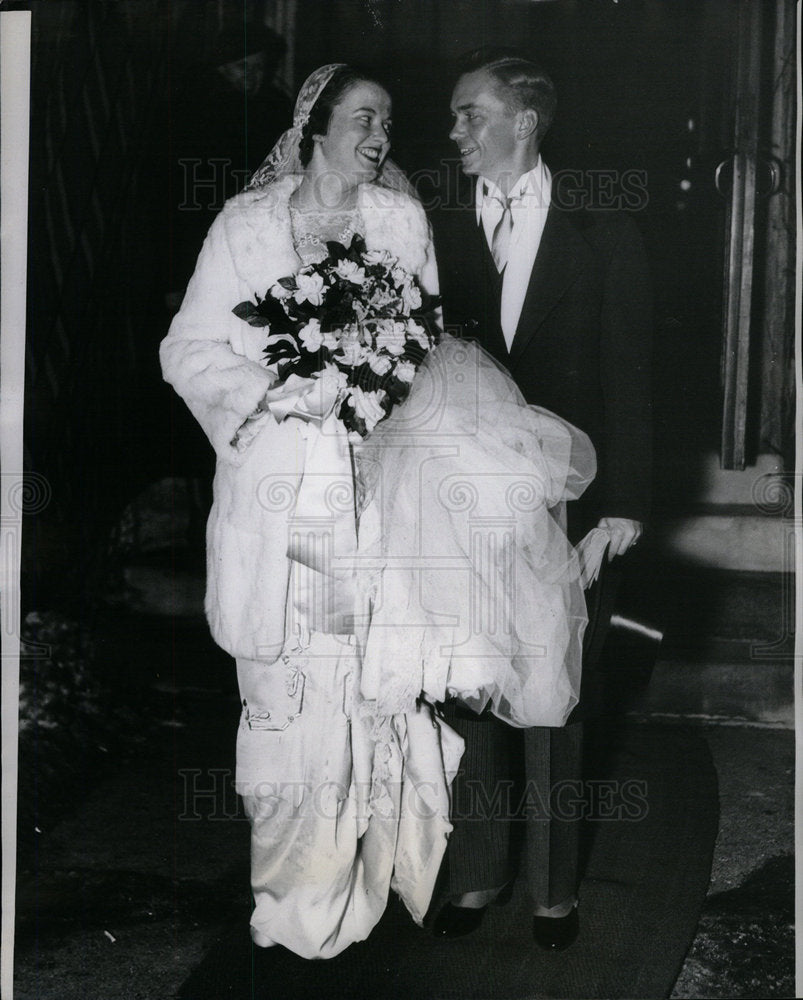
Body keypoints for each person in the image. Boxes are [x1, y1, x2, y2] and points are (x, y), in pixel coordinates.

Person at [160, 62, 595, 960]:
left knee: (376, 696)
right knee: (289, 701)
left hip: (377, 504)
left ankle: (387, 883)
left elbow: (423, 348)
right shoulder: (245, 225)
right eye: (364, 118)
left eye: (389, 122)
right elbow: (189, 348)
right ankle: (293, 901)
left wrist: (373, 382)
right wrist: (281, 393)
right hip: (283, 504)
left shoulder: (399, 221)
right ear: (315, 125)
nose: (381, 137)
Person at [430, 48, 652, 950]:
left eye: (468, 115)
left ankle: (552, 890)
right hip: (458, 487)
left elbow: (632, 377)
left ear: (522, 122)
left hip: (570, 495)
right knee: (469, 675)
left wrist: (624, 505)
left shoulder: (604, 228)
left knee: (557, 684)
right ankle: (478, 873)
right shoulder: (434, 222)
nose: (453, 132)